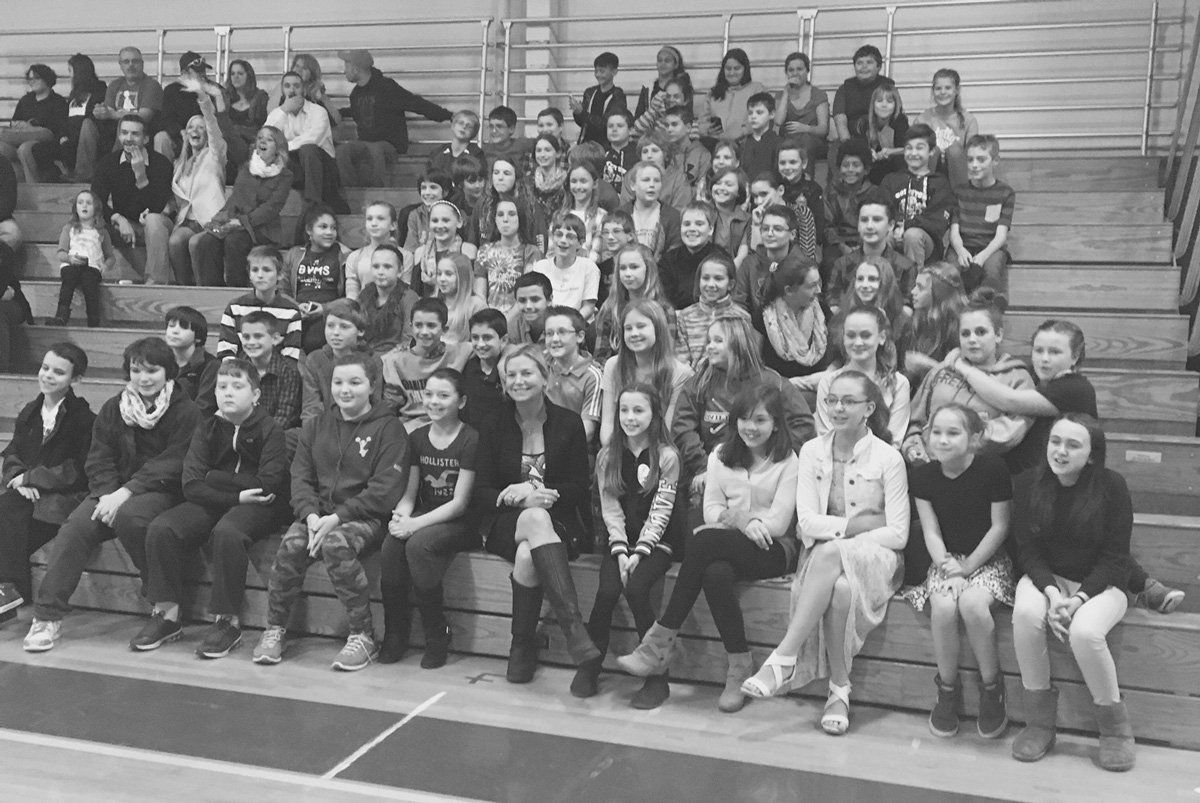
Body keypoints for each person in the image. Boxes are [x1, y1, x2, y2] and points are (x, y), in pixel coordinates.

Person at [947, 319, 1186, 612]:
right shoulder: (1048, 384)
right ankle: (1143, 586)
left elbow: (1009, 399)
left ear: (1075, 357)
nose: (1044, 358)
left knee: (1088, 541)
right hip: (1042, 481)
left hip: (1067, 480)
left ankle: (1140, 585)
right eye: (1038, 350)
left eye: (1055, 352)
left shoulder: (1074, 387)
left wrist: (962, 366)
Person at [741, 371, 909, 734]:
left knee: (832, 552)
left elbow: (897, 534)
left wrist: (842, 536)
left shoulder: (888, 458)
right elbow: (806, 523)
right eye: (832, 400)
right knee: (841, 589)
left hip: (877, 558)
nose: (837, 407)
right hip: (823, 558)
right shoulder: (812, 451)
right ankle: (839, 690)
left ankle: (784, 656)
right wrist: (854, 526)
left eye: (848, 401)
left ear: (868, 408)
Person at [618, 382, 801, 712]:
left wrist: (738, 520)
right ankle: (739, 665)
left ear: (776, 423)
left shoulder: (789, 461)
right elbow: (712, 510)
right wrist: (743, 520)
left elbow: (778, 523)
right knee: (715, 573)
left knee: (703, 539)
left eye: (760, 420)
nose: (751, 427)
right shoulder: (720, 456)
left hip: (776, 550)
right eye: (744, 419)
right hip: (727, 545)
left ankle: (659, 641)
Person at [23, 338, 201, 653]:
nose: (144, 378)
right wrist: (107, 493)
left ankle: (165, 609)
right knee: (76, 526)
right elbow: (98, 458)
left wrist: (124, 493)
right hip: (112, 493)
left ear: (168, 372)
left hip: (162, 491)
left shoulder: (186, 410)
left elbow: (175, 462)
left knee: (132, 517)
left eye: (152, 370)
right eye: (136, 370)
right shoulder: (113, 407)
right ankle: (47, 617)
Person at [252, 353, 409, 670]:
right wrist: (310, 515)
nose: (345, 389)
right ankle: (275, 629)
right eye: (338, 382)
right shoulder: (315, 426)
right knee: (292, 545)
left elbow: (385, 488)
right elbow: (300, 478)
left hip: (365, 518)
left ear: (371, 385)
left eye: (355, 382)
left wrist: (337, 518)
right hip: (318, 515)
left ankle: (363, 635)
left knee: (336, 544)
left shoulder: (389, 428)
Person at [136, 358, 288, 657]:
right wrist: (234, 494)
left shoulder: (271, 430)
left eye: (237, 386)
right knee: (162, 527)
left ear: (255, 394)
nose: (228, 392)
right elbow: (191, 483)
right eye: (222, 387)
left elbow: (266, 483)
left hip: (260, 505)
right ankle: (167, 614)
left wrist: (215, 477)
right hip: (223, 499)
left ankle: (226, 621)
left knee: (228, 532)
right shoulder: (206, 427)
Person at [1010, 414, 1136, 772]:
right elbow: (1028, 551)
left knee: (1085, 632)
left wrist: (1078, 600)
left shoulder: (1112, 486)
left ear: (1092, 454)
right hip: (1048, 579)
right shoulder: (1027, 483)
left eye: (1073, 444)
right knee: (1024, 615)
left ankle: (1115, 730)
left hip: (1103, 584)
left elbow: (1116, 558)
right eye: (1055, 441)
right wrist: (1052, 593)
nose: (1060, 451)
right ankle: (1039, 723)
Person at [472, 344, 599, 684]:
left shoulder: (568, 423)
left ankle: (521, 646)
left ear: (545, 378)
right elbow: (480, 491)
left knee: (529, 553)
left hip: (559, 522)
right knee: (533, 520)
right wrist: (518, 498)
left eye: (526, 373)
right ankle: (574, 628)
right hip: (502, 523)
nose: (518, 380)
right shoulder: (493, 423)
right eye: (511, 375)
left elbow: (577, 486)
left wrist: (545, 495)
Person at [905, 403, 1013, 739]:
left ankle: (992, 688)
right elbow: (931, 531)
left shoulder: (993, 469)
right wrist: (947, 568)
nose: (943, 440)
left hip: (987, 558)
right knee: (943, 606)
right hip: (947, 560)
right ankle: (947, 689)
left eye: (953, 433)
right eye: (936, 432)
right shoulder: (923, 476)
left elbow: (999, 527)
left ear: (975, 438)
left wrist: (967, 568)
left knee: (972, 605)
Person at [573, 383, 681, 706]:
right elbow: (610, 507)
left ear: (654, 414)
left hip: (658, 542)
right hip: (621, 541)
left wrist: (641, 551)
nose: (630, 418)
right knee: (606, 592)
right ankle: (591, 663)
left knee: (636, 590)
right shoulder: (608, 456)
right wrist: (621, 550)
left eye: (639, 410)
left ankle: (657, 676)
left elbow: (662, 510)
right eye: (624, 410)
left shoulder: (666, 456)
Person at [379, 368, 479, 667]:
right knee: (391, 546)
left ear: (460, 402)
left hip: (461, 521)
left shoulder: (470, 438)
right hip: (425, 513)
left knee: (417, 545)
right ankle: (395, 632)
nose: (434, 401)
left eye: (443, 395)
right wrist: (401, 517)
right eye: (429, 394)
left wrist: (415, 525)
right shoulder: (418, 437)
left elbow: (459, 504)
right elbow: (410, 495)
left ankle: (437, 631)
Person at [0, 344, 94, 620]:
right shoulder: (30, 411)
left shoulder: (83, 419)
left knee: (6, 511)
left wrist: (31, 478)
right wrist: (18, 479)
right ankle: (10, 592)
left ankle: (11, 592)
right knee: (10, 510)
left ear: (75, 380)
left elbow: (78, 470)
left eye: (59, 372)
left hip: (62, 501)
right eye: (45, 368)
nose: (48, 375)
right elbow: (12, 453)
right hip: (25, 499)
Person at [903, 288, 1034, 465]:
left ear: (998, 335)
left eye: (981, 332)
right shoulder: (942, 371)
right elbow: (915, 422)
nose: (972, 339)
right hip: (928, 467)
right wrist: (913, 449)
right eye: (965, 333)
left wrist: (957, 440)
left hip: (979, 472)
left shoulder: (1017, 378)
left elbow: (1010, 432)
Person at [192, 126, 293, 287]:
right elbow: (235, 198)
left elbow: (271, 208)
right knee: (208, 241)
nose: (262, 141)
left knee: (234, 241)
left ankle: (235, 290)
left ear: (278, 147)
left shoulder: (285, 175)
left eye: (268, 139)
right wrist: (222, 219)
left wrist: (242, 222)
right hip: (236, 222)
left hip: (262, 229)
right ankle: (212, 290)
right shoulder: (247, 168)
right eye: (260, 138)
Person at [337, 49, 452, 187]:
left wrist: (447, 115)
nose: (344, 71)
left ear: (356, 69)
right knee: (343, 151)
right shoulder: (356, 94)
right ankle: (351, 191)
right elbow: (358, 111)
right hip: (365, 143)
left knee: (376, 150)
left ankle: (379, 192)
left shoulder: (386, 87)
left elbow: (415, 103)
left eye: (346, 66)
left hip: (390, 145)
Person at [91, 114, 174, 284]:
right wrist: (118, 218)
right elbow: (96, 200)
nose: (129, 139)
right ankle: (90, 279)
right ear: (119, 136)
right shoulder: (108, 163)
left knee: (153, 220)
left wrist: (141, 176)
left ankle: (156, 282)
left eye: (135, 134)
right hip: (124, 224)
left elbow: (158, 206)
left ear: (146, 139)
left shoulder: (161, 163)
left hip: (154, 225)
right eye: (124, 133)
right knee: (90, 220)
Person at [598, 298, 693, 446]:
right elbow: (608, 423)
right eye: (628, 328)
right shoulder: (613, 366)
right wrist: (613, 452)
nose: (634, 333)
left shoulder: (680, 373)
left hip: (660, 451)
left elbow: (669, 432)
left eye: (641, 326)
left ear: (658, 328)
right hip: (619, 449)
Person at [199, 311, 303, 433]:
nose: (251, 342)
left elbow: (284, 417)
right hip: (235, 432)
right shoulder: (234, 369)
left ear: (275, 338)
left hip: (273, 435)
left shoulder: (288, 372)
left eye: (258, 336)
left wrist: (252, 436)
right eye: (246, 337)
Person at [168, 80, 228, 284]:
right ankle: (184, 288)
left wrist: (203, 98)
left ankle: (203, 290)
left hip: (211, 221)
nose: (196, 130)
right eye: (191, 127)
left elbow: (213, 126)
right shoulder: (179, 164)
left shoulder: (214, 155)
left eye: (200, 127)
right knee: (176, 240)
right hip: (189, 222)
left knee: (195, 243)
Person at [74, 47, 163, 183]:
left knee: (125, 125)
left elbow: (144, 116)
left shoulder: (151, 85)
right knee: (88, 124)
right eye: (126, 62)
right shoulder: (115, 84)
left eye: (135, 61)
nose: (131, 65)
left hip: (140, 131)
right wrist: (100, 111)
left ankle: (113, 173)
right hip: (112, 130)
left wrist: (113, 114)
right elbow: (107, 111)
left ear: (142, 64)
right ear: (120, 65)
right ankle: (83, 175)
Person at [266, 71, 349, 217]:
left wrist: (284, 146)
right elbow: (266, 140)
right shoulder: (277, 113)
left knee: (308, 149)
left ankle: (313, 203)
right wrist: (284, 110)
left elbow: (312, 139)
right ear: (283, 90)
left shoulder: (319, 112)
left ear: (303, 90)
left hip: (322, 168)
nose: (292, 90)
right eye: (287, 86)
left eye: (296, 86)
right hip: (294, 167)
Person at [382, 297, 472, 430]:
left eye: (431, 325)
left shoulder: (460, 352)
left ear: (444, 329)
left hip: (447, 424)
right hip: (410, 425)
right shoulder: (394, 361)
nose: (424, 332)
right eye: (418, 325)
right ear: (411, 327)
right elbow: (390, 406)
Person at [879, 124, 955, 268]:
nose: (913, 153)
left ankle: (914, 286)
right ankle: (883, 283)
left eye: (919, 148)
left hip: (925, 242)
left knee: (912, 235)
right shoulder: (891, 180)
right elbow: (882, 209)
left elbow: (937, 221)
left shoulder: (940, 183)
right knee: (882, 235)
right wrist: (893, 228)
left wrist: (907, 226)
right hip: (893, 232)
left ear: (931, 151)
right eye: (909, 148)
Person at [949, 134, 1016, 293]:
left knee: (993, 269)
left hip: (991, 248)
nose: (974, 165)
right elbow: (954, 231)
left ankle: (988, 307)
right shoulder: (959, 192)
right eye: (970, 160)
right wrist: (960, 250)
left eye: (981, 159)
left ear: (995, 161)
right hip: (962, 246)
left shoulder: (1005, 193)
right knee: (949, 273)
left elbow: (1001, 236)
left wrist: (983, 256)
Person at [299, 298, 383, 423]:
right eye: (330, 326)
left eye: (344, 327)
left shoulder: (372, 359)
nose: (335, 333)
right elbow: (311, 409)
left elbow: (375, 405)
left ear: (360, 331)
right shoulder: (315, 359)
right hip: (325, 429)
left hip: (362, 426)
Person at [28, 54, 107, 182]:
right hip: (70, 137)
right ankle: (56, 176)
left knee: (75, 141)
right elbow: (67, 118)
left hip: (84, 138)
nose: (70, 75)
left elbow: (93, 118)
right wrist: (63, 136)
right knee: (38, 149)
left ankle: (82, 175)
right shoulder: (74, 93)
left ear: (79, 71)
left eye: (70, 71)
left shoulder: (99, 88)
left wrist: (72, 137)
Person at [216, 246, 302, 361]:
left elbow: (291, 357)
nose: (260, 275)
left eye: (266, 270)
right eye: (255, 270)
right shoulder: (235, 307)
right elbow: (225, 352)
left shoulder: (291, 311)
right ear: (249, 275)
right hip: (240, 373)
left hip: (277, 374)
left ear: (280, 274)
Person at [283, 204, 350, 353]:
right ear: (309, 230)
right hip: (297, 311)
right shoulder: (294, 254)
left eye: (333, 228)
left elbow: (349, 297)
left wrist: (325, 309)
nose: (329, 232)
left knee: (313, 342)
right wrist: (295, 307)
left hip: (329, 313)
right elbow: (282, 290)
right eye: (323, 227)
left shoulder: (345, 256)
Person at [828, 188, 916, 300]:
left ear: (891, 225)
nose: (869, 226)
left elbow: (907, 308)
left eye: (877, 220)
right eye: (864, 220)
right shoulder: (842, 264)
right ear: (858, 225)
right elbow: (833, 303)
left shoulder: (906, 267)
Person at [48, 189, 113, 327]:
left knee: (90, 284)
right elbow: (61, 252)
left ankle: (93, 319)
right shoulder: (69, 228)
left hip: (92, 267)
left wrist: (106, 266)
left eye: (89, 203)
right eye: (80, 202)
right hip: (72, 265)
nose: (84, 206)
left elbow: (110, 256)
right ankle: (61, 315)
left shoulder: (101, 231)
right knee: (69, 279)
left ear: (96, 208)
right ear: (75, 207)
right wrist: (70, 259)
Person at [758, 258, 832, 379]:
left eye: (818, 283)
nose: (818, 290)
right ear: (789, 291)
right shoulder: (763, 317)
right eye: (812, 286)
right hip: (779, 390)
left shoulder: (823, 311)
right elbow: (757, 367)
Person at [675, 253, 749, 367]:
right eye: (705, 278)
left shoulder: (741, 317)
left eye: (718, 278)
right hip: (694, 382)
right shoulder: (685, 317)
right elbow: (682, 363)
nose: (710, 284)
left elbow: (744, 359)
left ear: (730, 284)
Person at [831, 45, 894, 175]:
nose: (864, 66)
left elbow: (893, 117)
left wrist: (875, 143)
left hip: (882, 137)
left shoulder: (888, 87)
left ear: (879, 67)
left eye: (869, 62)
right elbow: (840, 119)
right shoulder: (845, 88)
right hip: (851, 137)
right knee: (836, 151)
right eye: (859, 63)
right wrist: (849, 147)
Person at [475, 196, 542, 315]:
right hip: (491, 318)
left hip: (520, 316)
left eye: (511, 214)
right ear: (495, 219)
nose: (505, 219)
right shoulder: (484, 251)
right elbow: (480, 295)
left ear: (520, 218)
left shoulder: (532, 252)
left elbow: (527, 293)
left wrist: (508, 321)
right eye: (500, 215)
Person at [1, 64, 68, 182]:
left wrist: (31, 127)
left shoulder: (58, 101)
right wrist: (18, 125)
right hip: (21, 137)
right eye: (30, 79)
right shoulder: (25, 100)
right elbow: (14, 120)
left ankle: (33, 187)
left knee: (25, 147)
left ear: (46, 79)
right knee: (5, 147)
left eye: (35, 78)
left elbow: (56, 129)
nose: (32, 82)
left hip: (45, 136)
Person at [155, 52, 227, 162]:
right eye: (198, 72)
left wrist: (215, 95)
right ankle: (163, 175)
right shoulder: (172, 90)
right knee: (161, 138)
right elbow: (166, 119)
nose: (203, 74)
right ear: (184, 73)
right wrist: (181, 132)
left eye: (203, 70)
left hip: (207, 135)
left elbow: (223, 118)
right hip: (179, 137)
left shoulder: (214, 89)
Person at [529, 212, 601, 321]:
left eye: (570, 236)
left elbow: (588, 307)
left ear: (580, 243)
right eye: (559, 235)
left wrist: (567, 324)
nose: (563, 241)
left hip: (578, 324)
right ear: (553, 238)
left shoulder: (589, 267)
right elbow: (536, 303)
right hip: (547, 324)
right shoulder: (540, 267)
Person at [659, 201, 728, 311]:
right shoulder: (668, 260)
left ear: (711, 229)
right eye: (686, 224)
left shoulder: (721, 258)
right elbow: (664, 300)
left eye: (699, 224)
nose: (692, 229)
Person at [916, 68, 978, 190]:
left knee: (954, 150)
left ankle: (960, 196)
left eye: (948, 88)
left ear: (957, 90)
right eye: (938, 88)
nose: (942, 92)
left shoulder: (969, 120)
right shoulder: (922, 119)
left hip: (959, 178)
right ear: (933, 91)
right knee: (932, 150)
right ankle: (925, 192)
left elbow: (973, 155)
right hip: (928, 175)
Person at [906, 261, 966, 385]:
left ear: (938, 292)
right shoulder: (920, 321)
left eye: (920, 287)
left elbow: (965, 380)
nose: (913, 291)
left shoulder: (961, 328)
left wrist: (928, 365)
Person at [823, 140, 874, 277]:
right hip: (839, 243)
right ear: (839, 168)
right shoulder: (831, 192)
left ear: (866, 170)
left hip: (868, 242)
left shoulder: (875, 193)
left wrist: (863, 247)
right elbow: (828, 226)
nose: (850, 169)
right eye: (845, 165)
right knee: (830, 261)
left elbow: (877, 225)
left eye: (856, 165)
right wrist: (842, 246)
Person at [359, 245, 419, 354]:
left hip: (394, 359)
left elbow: (409, 339)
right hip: (363, 355)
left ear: (400, 271)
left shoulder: (409, 297)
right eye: (376, 266)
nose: (380, 272)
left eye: (387, 267)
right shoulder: (364, 294)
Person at [777, 52, 829, 176]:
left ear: (807, 71)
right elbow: (778, 121)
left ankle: (805, 182)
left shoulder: (818, 94)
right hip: (788, 139)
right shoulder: (781, 95)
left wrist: (805, 128)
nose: (795, 73)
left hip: (813, 140)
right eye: (791, 70)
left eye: (799, 69)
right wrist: (786, 92)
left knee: (805, 142)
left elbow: (823, 129)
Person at [617, 162, 682, 261]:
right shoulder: (619, 215)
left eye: (656, 181)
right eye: (646, 180)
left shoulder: (673, 217)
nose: (652, 185)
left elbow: (674, 256)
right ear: (633, 185)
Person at [697, 49, 765, 142]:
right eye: (728, 69)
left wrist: (743, 131)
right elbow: (702, 121)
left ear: (745, 69)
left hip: (747, 143)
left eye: (737, 68)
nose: (732, 73)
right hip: (716, 144)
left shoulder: (757, 90)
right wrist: (708, 130)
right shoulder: (713, 93)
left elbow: (763, 117)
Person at [412, 200, 477, 297]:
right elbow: (415, 293)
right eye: (435, 221)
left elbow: (470, 289)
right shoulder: (420, 253)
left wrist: (436, 282)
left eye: (445, 220)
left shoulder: (468, 251)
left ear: (459, 222)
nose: (440, 225)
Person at [222, 59, 270, 183]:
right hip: (228, 143)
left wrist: (237, 130)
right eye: (232, 74)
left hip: (250, 142)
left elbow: (262, 125)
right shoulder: (225, 98)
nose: (235, 77)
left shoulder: (260, 97)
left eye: (240, 73)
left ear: (248, 75)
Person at [460, 308, 509, 430]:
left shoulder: (510, 370)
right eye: (475, 337)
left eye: (487, 338)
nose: (480, 344)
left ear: (503, 340)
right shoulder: (467, 365)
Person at [857, 83, 909, 186]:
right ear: (873, 104)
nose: (884, 105)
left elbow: (908, 149)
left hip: (897, 167)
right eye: (879, 101)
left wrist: (891, 152)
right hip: (874, 168)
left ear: (896, 105)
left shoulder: (900, 121)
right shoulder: (864, 122)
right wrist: (869, 153)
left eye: (889, 101)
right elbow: (861, 148)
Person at [572, 52, 626, 146]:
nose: (598, 75)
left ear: (614, 72)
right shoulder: (589, 92)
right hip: (586, 144)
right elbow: (583, 123)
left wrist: (582, 113)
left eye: (602, 71)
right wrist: (577, 113)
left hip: (607, 146)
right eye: (596, 71)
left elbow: (606, 124)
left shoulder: (618, 95)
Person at [164, 306, 216, 399]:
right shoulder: (159, 361)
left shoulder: (211, 366)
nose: (175, 331)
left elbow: (204, 406)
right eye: (171, 326)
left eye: (184, 327)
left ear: (198, 337)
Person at [435, 253, 487, 345]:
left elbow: (481, 342)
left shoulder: (476, 305)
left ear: (462, 277)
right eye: (439, 274)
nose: (442, 279)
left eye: (448, 274)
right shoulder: (433, 304)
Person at [280, 54, 342, 127]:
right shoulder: (284, 90)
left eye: (305, 68)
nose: (298, 71)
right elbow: (273, 120)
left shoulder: (318, 93)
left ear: (312, 73)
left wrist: (320, 99)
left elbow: (334, 122)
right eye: (297, 66)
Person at [736, 93, 781, 188]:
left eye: (759, 112)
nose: (753, 116)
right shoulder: (742, 144)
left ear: (772, 114)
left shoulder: (778, 143)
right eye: (750, 113)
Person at [404, 169, 454, 251]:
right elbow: (410, 249)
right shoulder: (415, 215)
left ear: (445, 192)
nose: (427, 192)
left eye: (433, 187)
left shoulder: (454, 214)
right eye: (423, 188)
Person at [427, 110, 485, 176]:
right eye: (461, 123)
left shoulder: (477, 154)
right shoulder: (437, 152)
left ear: (474, 132)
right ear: (452, 126)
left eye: (469, 126)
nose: (464, 127)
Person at [634, 46, 686, 120]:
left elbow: (686, 115)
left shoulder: (682, 87)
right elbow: (639, 116)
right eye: (659, 60)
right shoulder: (648, 87)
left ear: (676, 65)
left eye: (667, 61)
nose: (663, 64)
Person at [507, 271, 552, 346]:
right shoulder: (514, 327)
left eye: (535, 299)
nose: (528, 306)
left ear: (549, 300)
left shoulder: (562, 325)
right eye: (522, 300)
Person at [603, 109, 639, 192]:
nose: (614, 129)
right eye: (610, 126)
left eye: (620, 126)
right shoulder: (601, 154)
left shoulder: (638, 155)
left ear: (630, 130)